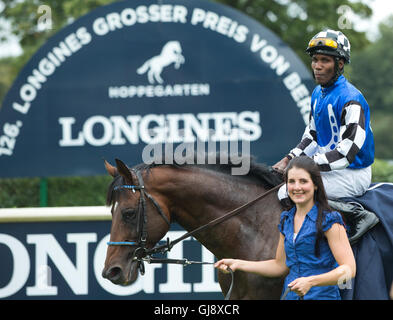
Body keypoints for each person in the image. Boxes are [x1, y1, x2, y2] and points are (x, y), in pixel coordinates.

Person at [273, 29, 378, 240]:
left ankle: (358, 215)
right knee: (282, 188)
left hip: (353, 172)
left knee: (289, 191)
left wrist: (306, 165)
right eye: (315, 60)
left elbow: (346, 154)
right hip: (328, 168)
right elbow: (312, 135)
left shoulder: (351, 99)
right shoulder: (318, 93)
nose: (317, 66)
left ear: (340, 64)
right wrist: (289, 159)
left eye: (324, 61)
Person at [215, 156, 356, 300]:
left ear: (315, 185)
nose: (297, 187)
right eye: (292, 182)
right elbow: (279, 266)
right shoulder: (286, 220)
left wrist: (311, 282)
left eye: (303, 181)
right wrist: (238, 264)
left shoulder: (330, 220)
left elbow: (349, 269)